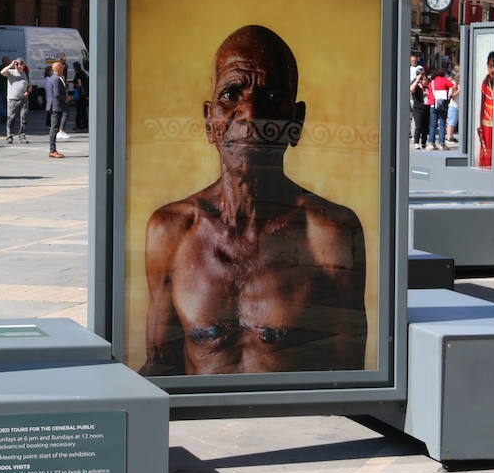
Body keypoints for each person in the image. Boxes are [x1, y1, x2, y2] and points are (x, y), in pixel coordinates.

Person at [141, 25, 366, 376]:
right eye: (231, 95)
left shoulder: (328, 232)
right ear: (208, 120)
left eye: (272, 96)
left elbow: (348, 371)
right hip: (199, 428)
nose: (250, 113)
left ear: (296, 121)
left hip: (293, 427)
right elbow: (159, 366)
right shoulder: (171, 230)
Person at [44, 60, 72, 158]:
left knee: (54, 128)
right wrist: (66, 98)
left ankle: (53, 150)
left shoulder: (51, 78)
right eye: (62, 67)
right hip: (57, 106)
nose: (63, 69)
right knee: (54, 128)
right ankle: (52, 150)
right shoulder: (56, 79)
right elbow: (57, 94)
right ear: (58, 69)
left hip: (53, 105)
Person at [0, 57, 32, 144]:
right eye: (17, 64)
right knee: (11, 118)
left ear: (24, 65)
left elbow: (30, 86)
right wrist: (11, 64)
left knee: (23, 118)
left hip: (24, 99)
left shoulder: (26, 74)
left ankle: (22, 136)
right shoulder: (11, 72)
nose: (19, 66)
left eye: (21, 64)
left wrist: (28, 92)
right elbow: (2, 72)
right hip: (12, 99)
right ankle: (9, 136)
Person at [426, 66, 454, 151]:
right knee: (442, 124)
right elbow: (453, 86)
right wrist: (449, 95)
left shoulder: (432, 83)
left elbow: (429, 93)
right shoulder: (445, 80)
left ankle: (432, 143)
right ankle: (441, 144)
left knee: (433, 125)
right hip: (443, 105)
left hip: (433, 104)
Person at [477, 51, 494, 168]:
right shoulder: (485, 83)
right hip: (486, 123)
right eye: (490, 66)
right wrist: (480, 126)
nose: (493, 69)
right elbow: (482, 105)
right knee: (487, 149)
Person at [410, 67, 431, 150]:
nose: (425, 81)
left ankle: (423, 143)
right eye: (423, 80)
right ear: (420, 80)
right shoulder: (417, 87)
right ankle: (416, 143)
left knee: (425, 127)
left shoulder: (428, 88)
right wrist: (417, 79)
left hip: (427, 108)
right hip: (418, 109)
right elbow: (411, 89)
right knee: (418, 126)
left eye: (426, 80)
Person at [445, 64, 461, 146]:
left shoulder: (457, 82)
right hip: (453, 105)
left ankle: (451, 136)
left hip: (457, 105)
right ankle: (448, 137)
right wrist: (459, 90)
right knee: (451, 122)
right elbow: (452, 95)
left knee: (454, 122)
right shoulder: (453, 83)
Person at [0, 58, 11, 126]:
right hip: (6, 89)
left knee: (1, 103)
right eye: (8, 60)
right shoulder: (8, 69)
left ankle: (2, 117)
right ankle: (6, 117)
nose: (9, 61)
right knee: (7, 104)